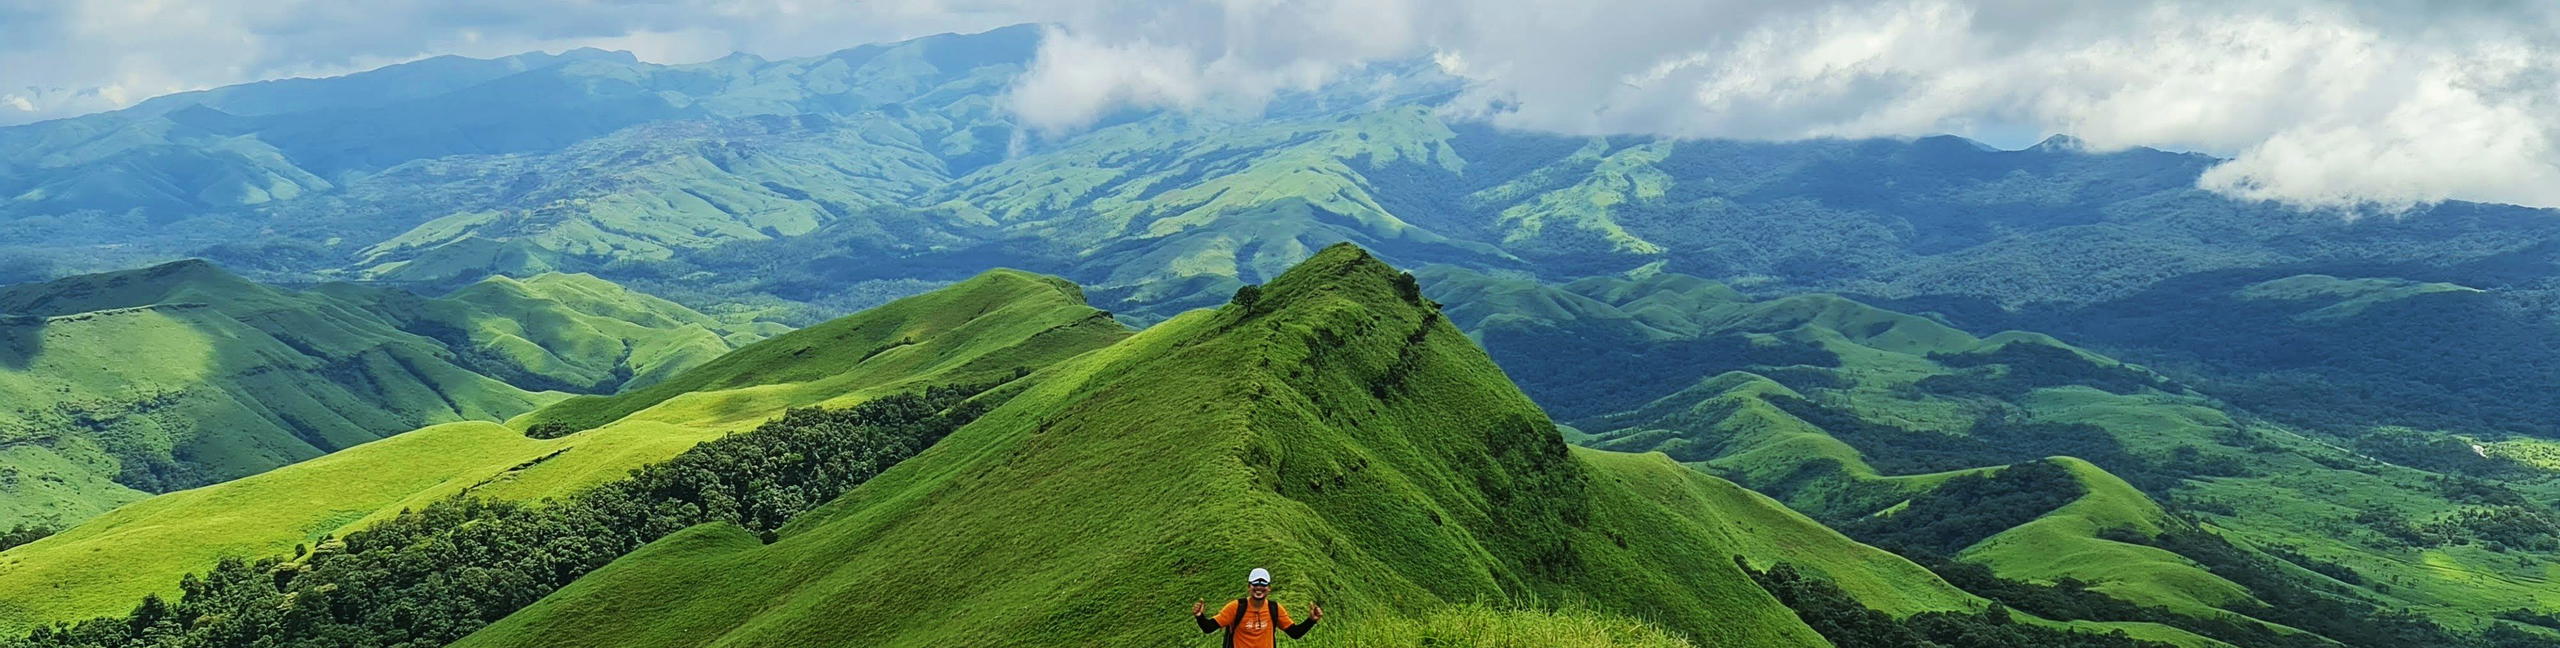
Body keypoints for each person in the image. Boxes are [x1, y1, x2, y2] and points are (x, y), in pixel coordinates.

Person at [1191, 567, 1322, 647]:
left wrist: (1311, 620)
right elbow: (1208, 628)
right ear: (1249, 587)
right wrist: (1199, 616)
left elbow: (1295, 633)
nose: (1259, 588)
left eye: (1263, 585)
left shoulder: (1274, 609)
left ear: (1269, 588)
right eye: (1255, 584)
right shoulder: (1235, 607)